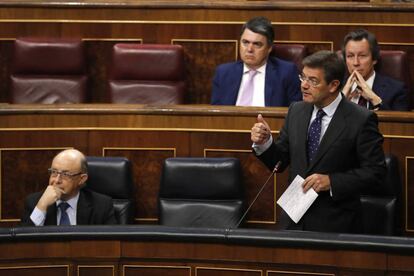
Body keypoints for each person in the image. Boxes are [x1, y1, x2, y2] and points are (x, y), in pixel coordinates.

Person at [251, 50, 386, 233]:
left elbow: (376, 173)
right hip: (293, 221)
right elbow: (280, 161)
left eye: (313, 81)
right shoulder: (296, 111)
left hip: (336, 224)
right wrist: (265, 142)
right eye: (303, 78)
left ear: (333, 85)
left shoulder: (360, 119)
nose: (304, 86)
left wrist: (332, 181)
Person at [211, 16, 302, 107]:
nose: (249, 49)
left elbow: (295, 114)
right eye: (245, 42)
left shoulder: (287, 73)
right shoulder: (223, 73)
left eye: (257, 44)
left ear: (269, 48)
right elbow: (215, 114)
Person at [21, 149, 117, 226]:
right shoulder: (34, 202)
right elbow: (22, 244)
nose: (57, 180)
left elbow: (111, 244)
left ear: (81, 179)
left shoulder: (101, 206)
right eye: (54, 172)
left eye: (65, 174)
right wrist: (41, 207)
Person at [342, 29, 409, 111]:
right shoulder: (333, 87)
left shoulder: (397, 90)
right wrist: (340, 101)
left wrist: (374, 99)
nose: (356, 63)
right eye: (350, 56)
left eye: (362, 56)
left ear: (374, 59)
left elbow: (398, 123)